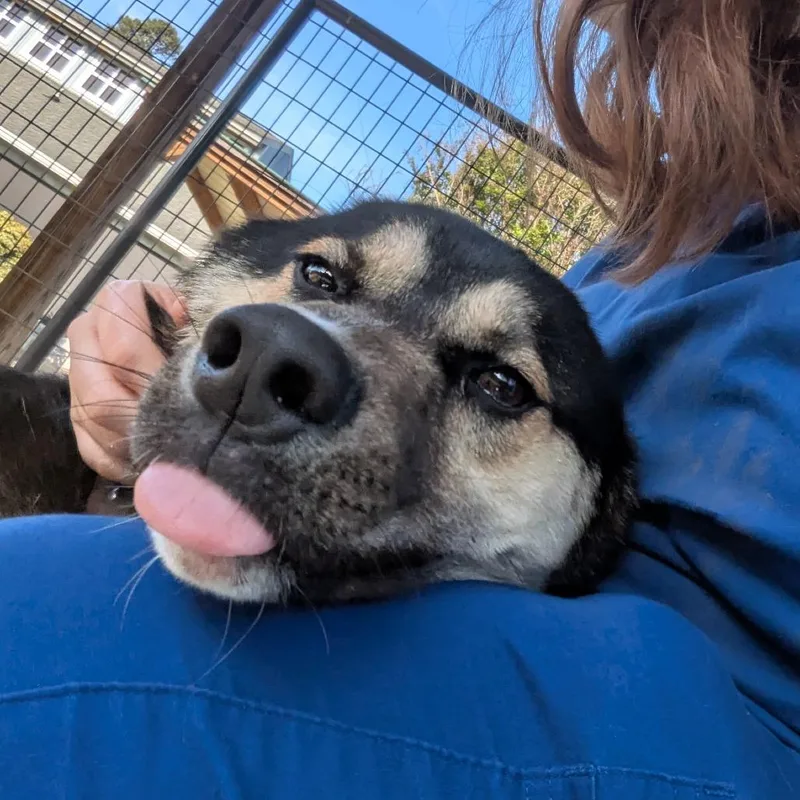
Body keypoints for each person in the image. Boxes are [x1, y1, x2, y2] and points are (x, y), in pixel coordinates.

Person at [1, 1, 798, 796]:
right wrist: (152, 338)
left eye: (499, 384)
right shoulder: (672, 231)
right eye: (320, 280)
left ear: (604, 515)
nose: (290, 349)